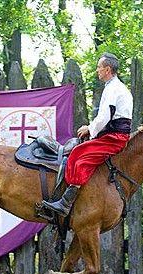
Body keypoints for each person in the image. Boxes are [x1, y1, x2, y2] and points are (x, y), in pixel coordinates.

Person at [42, 52, 133, 216]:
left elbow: (105, 116)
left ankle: (66, 202)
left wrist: (90, 129)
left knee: (80, 156)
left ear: (107, 69)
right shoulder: (113, 87)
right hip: (111, 135)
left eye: (99, 67)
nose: (97, 70)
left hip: (114, 138)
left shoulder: (114, 89)